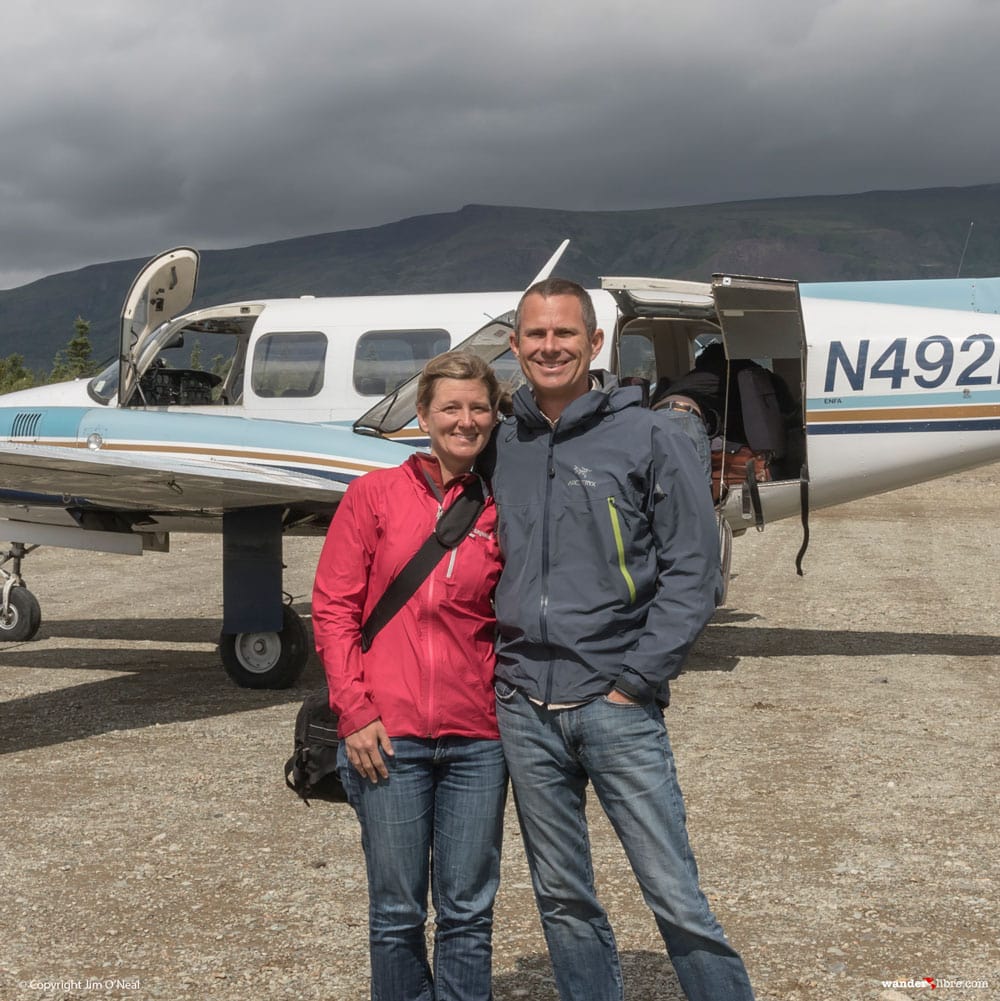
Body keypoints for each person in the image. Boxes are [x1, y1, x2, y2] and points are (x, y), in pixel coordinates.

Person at [490, 278, 755, 1001]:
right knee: (563, 901)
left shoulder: (649, 434)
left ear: (595, 343)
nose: (550, 347)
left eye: (565, 334)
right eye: (536, 335)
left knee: (675, 896)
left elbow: (694, 569)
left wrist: (635, 678)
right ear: (515, 345)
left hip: (616, 704)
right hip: (523, 705)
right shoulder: (501, 442)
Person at [312, 350, 508, 1001]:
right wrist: (354, 710)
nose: (465, 419)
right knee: (397, 916)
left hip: (477, 739)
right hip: (387, 736)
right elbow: (334, 609)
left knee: (468, 916)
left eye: (478, 406)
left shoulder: (498, 509)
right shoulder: (373, 496)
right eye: (450, 406)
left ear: (494, 415)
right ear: (422, 415)